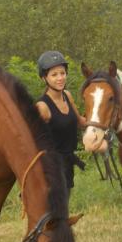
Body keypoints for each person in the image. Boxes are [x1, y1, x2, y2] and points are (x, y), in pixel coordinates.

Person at [35, 51, 86, 193]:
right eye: (54, 75)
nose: (60, 78)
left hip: (67, 163)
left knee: (63, 209)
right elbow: (31, 139)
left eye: (62, 73)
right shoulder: (42, 107)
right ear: (44, 78)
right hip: (51, 167)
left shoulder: (67, 96)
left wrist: (101, 119)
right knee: (52, 210)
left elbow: (80, 122)